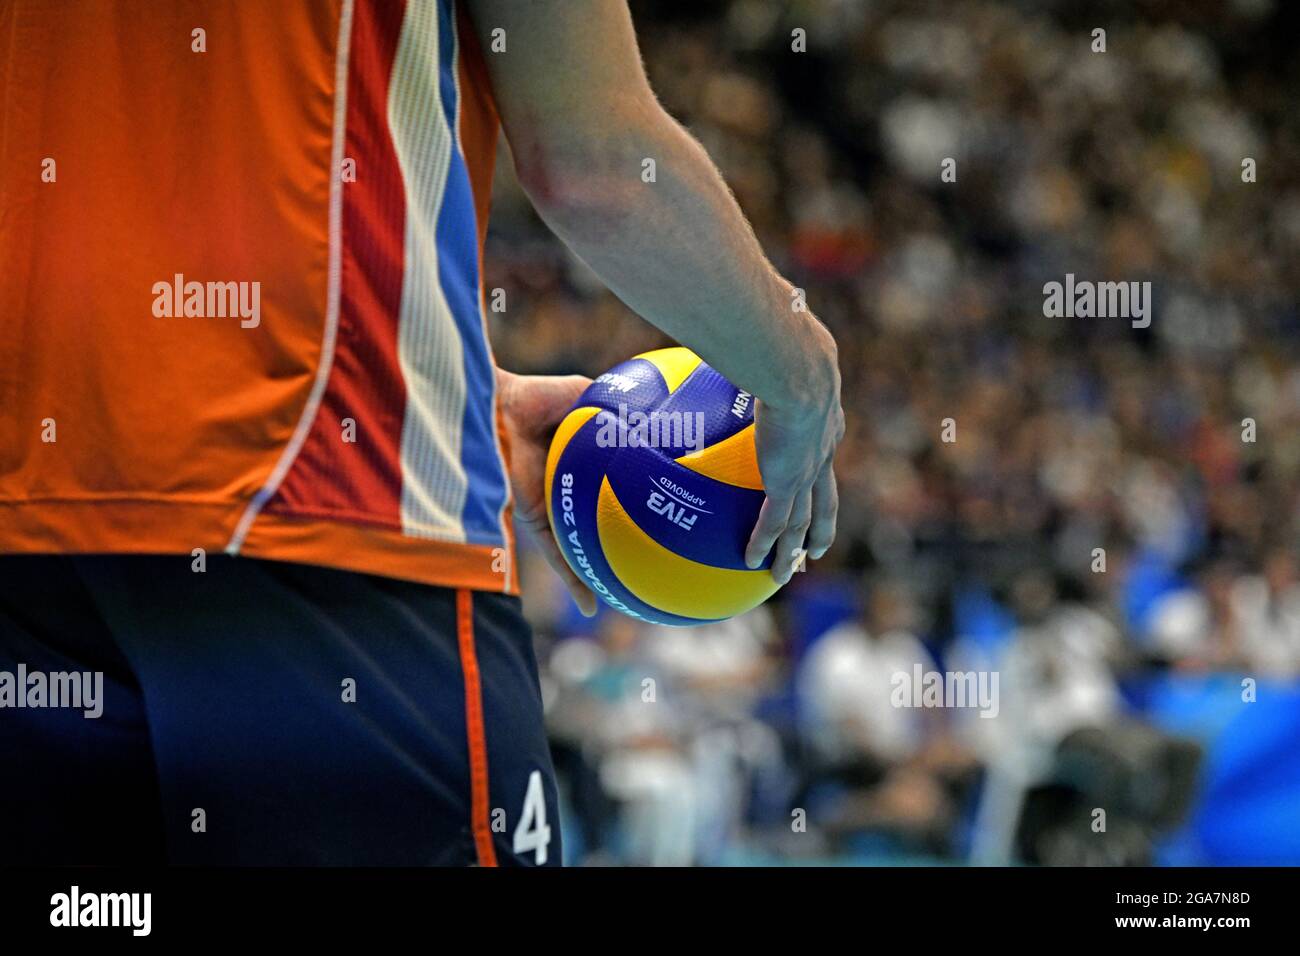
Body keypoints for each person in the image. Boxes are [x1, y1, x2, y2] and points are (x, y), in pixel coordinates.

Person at [0, 0, 842, 864]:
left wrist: (455, 390)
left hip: (34, 524)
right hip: (329, 511)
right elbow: (595, 162)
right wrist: (803, 373)